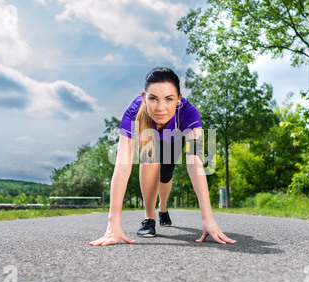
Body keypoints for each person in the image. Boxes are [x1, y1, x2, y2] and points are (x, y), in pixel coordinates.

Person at [90, 67, 236, 246]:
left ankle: (163, 207)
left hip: (173, 137)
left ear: (178, 99)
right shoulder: (133, 113)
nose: (160, 108)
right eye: (153, 99)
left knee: (166, 175)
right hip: (149, 135)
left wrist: (208, 217)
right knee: (150, 160)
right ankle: (149, 217)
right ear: (144, 97)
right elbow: (122, 164)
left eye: (168, 99)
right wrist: (113, 224)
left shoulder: (189, 113)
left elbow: (195, 163)